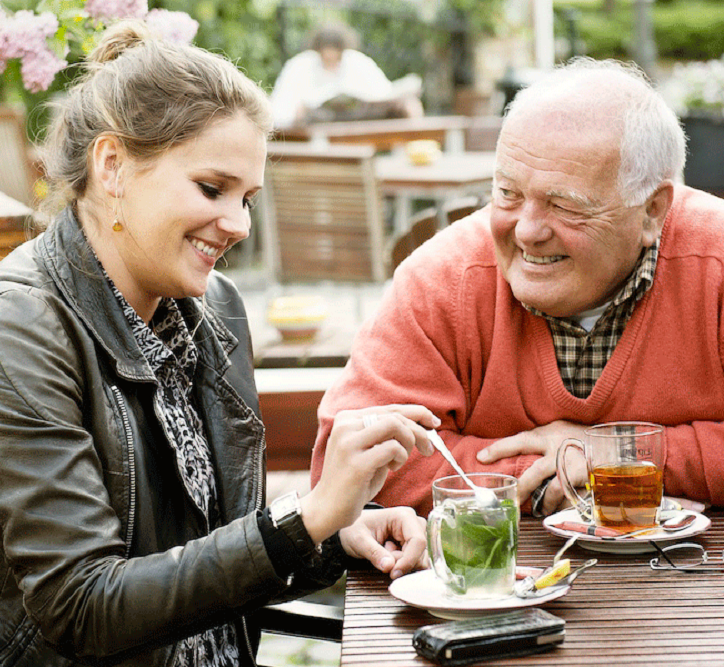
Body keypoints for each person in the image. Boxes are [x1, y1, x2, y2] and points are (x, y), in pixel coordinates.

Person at [0, 19, 441, 667]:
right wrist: (304, 517)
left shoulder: (211, 309)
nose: (239, 224)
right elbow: (83, 608)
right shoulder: (12, 333)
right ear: (112, 167)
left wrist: (334, 531)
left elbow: (209, 553)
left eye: (247, 199)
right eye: (212, 189)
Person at [310, 57, 724, 521]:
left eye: (564, 205)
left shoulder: (717, 260)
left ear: (651, 211)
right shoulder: (445, 276)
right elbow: (345, 462)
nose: (526, 231)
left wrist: (617, 454)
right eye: (507, 193)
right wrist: (548, 472)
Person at [270, 22, 422, 129]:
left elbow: (383, 91)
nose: (331, 63)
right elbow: (282, 104)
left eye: (335, 58)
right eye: (326, 58)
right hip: (317, 121)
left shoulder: (357, 62)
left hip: (359, 119)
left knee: (410, 104)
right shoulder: (301, 65)